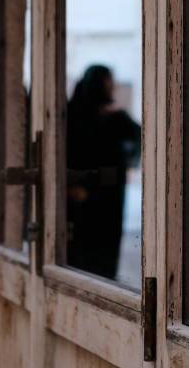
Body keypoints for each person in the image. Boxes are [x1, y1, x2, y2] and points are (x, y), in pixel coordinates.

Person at [66, 65, 141, 280]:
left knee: (107, 240)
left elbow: (137, 141)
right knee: (83, 242)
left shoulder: (117, 116)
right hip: (83, 186)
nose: (110, 88)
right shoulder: (74, 114)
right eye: (106, 83)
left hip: (109, 187)